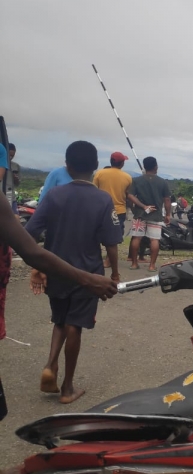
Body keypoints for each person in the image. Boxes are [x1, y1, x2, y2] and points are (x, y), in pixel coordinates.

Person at [25, 141, 122, 405]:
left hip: (56, 271)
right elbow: (111, 243)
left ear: (66, 165)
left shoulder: (54, 195)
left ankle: (50, 365)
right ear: (94, 167)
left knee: (60, 320)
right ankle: (67, 388)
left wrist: (38, 266)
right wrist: (114, 273)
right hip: (88, 274)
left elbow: (29, 234)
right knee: (74, 326)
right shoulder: (103, 199)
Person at [127, 156, 171, 272]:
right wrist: (168, 215)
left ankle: (134, 263)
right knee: (154, 240)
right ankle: (152, 265)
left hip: (140, 214)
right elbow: (167, 200)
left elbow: (130, 195)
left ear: (145, 167)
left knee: (136, 238)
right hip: (156, 216)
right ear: (156, 167)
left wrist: (142, 206)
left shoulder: (136, 180)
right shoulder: (162, 182)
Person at [93, 151, 133, 268]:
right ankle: (108, 261)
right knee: (113, 238)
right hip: (118, 211)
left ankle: (96, 258)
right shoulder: (128, 177)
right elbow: (127, 194)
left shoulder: (99, 174)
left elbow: (94, 191)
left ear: (111, 161)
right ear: (122, 164)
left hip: (100, 209)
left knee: (96, 234)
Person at [8, 144, 20, 215]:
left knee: (15, 218)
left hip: (12, 197)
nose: (10, 157)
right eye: (9, 155)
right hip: (2, 195)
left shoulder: (16, 166)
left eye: (12, 155)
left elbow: (18, 184)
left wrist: (16, 179)